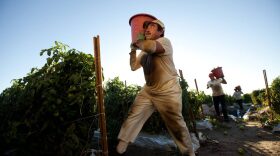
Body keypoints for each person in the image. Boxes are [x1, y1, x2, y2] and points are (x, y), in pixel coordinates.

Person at [116, 18, 195, 156]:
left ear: (161, 31)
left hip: (168, 91)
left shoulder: (164, 42)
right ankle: (121, 147)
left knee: (176, 126)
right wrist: (133, 50)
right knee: (133, 115)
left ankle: (189, 153)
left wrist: (139, 42)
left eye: (152, 26)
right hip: (149, 90)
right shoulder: (143, 51)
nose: (147, 29)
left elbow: (152, 47)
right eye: (145, 27)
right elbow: (133, 67)